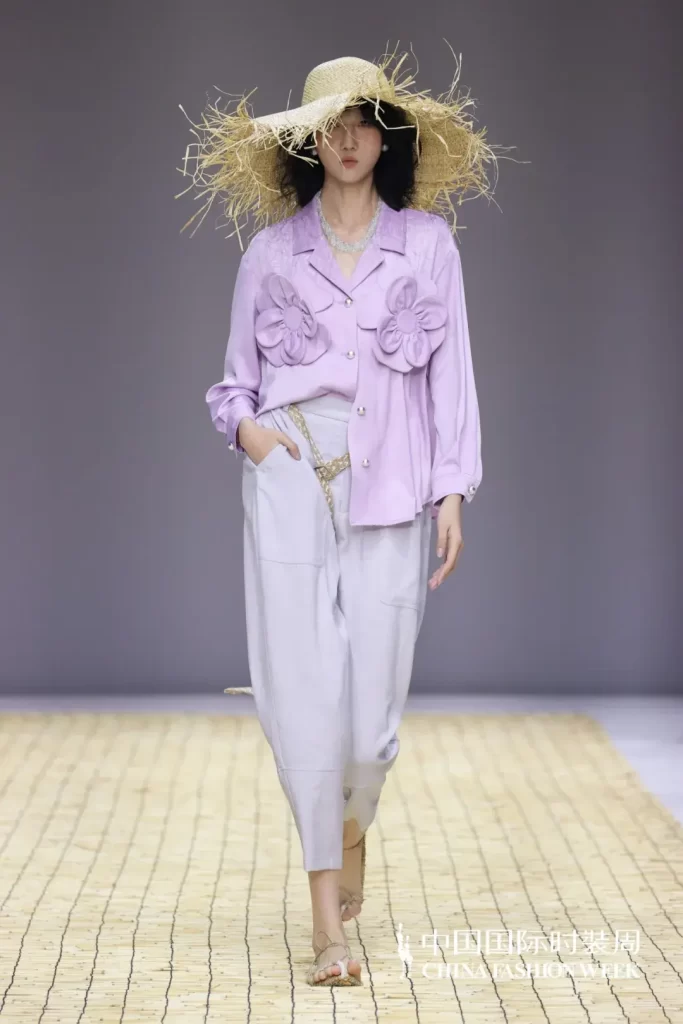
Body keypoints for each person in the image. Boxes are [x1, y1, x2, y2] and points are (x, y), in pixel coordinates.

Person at [181, 52, 498, 988]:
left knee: (370, 727)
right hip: (288, 475)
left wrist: (451, 488)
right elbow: (233, 383)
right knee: (302, 697)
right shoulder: (271, 253)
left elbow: (452, 377)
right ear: (308, 142)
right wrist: (253, 438)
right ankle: (327, 926)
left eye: (362, 121)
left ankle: (352, 823)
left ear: (384, 136)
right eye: (329, 124)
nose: (347, 138)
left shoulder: (428, 246)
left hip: (392, 480)